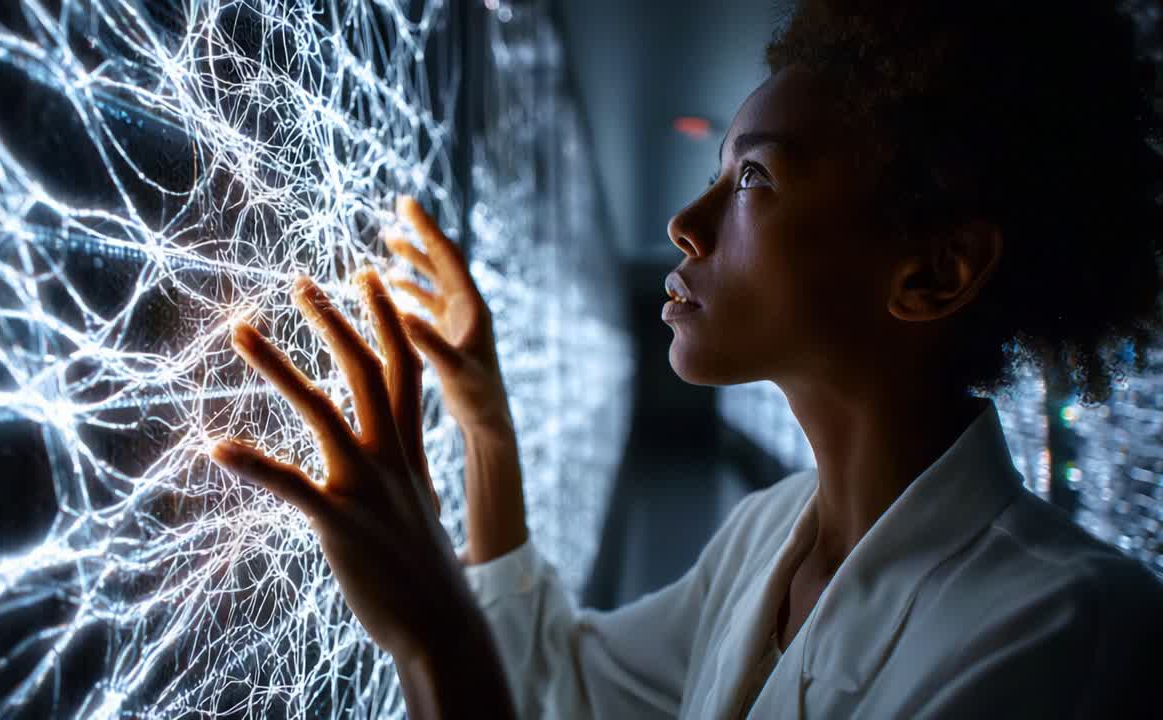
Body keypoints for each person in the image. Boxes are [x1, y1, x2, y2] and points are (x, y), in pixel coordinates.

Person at [207, 1, 1163, 717]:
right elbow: (568, 691)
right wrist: (488, 432)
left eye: (753, 177)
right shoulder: (769, 533)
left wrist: (432, 637)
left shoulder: (1069, 633)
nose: (685, 224)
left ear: (932, 272)